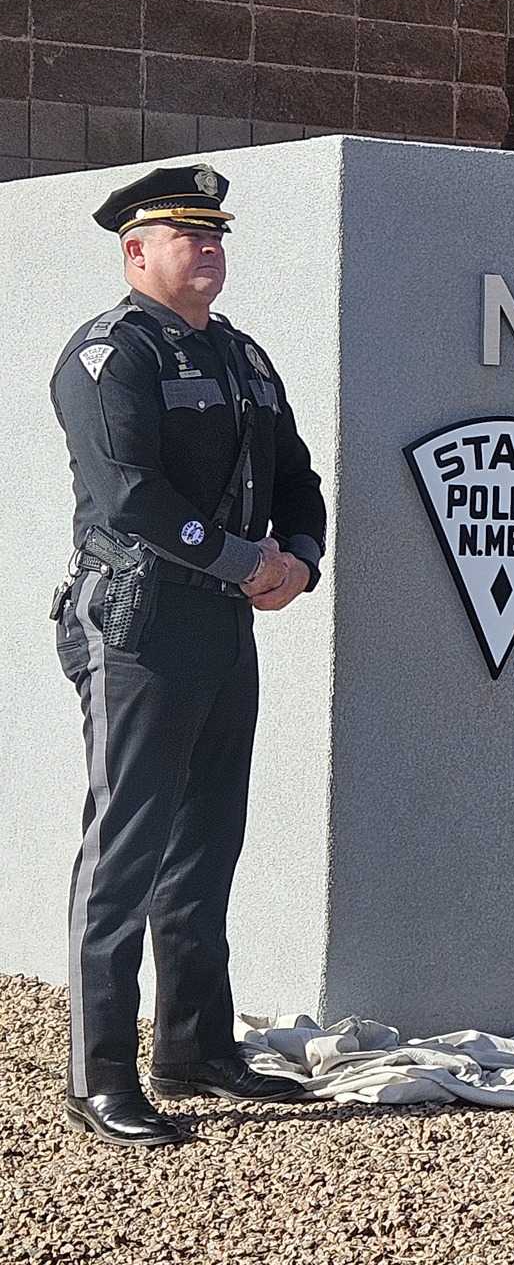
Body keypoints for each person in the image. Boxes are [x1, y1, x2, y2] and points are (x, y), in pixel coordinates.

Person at [49, 164, 328, 1148]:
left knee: (208, 843)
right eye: (185, 236)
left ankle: (196, 1046)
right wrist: (244, 558)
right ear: (136, 253)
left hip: (223, 627)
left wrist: (300, 557)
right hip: (138, 628)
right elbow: (128, 495)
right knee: (122, 850)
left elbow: (294, 472)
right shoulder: (109, 356)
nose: (207, 249)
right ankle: (99, 1075)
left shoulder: (242, 358)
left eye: (216, 236)